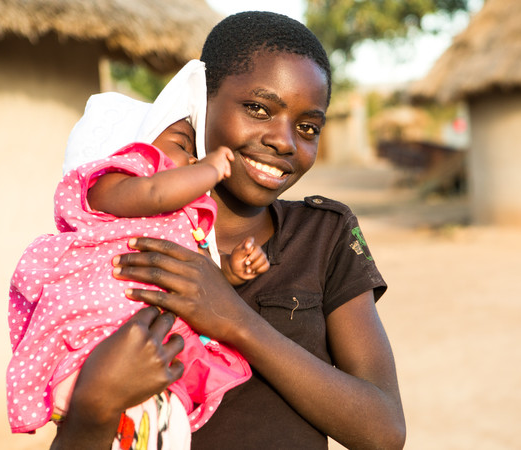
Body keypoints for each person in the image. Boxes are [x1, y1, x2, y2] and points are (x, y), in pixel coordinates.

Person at [50, 11, 406, 450]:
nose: (285, 141)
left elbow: (384, 431)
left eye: (307, 127)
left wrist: (234, 320)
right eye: (258, 108)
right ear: (201, 104)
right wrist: (94, 404)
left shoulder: (324, 236)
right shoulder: (127, 240)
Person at [7, 63, 269, 447]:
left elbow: (196, 275)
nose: (193, 159)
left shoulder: (179, 221)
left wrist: (230, 269)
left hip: (156, 367)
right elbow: (155, 192)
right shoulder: (107, 185)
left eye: (196, 153)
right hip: (101, 357)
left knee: (169, 433)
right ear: (131, 145)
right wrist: (210, 170)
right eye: (182, 144)